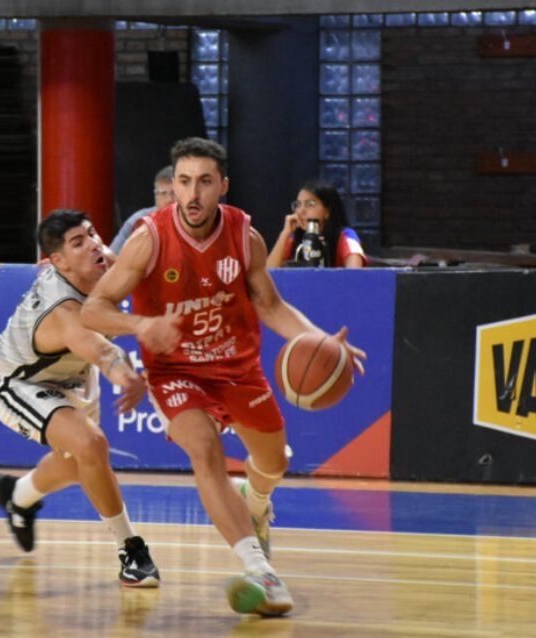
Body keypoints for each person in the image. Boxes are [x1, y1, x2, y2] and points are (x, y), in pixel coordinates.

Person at [81, 137, 366, 616]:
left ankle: (256, 501)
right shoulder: (149, 238)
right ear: (173, 186)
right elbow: (94, 309)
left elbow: (270, 306)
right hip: (176, 371)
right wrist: (141, 325)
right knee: (204, 450)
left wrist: (322, 341)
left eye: (204, 182)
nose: (192, 194)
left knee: (273, 462)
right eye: (183, 182)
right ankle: (261, 573)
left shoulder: (244, 235)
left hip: (236, 367)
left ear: (223, 186)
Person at [0, 209, 160, 588]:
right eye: (79, 243)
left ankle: (18, 496)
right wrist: (128, 377)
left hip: (73, 375)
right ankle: (131, 548)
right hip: (18, 380)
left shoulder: (102, 261)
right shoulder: (63, 310)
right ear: (58, 262)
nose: (94, 244)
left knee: (76, 465)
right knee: (91, 445)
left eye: (93, 233)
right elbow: (100, 351)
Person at [267, 179, 368, 268]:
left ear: (327, 211)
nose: (301, 211)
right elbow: (268, 274)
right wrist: (285, 234)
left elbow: (355, 273)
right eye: (298, 204)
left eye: (310, 204)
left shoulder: (346, 235)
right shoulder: (294, 238)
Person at [109, 165, 175, 254]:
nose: (170, 199)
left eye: (174, 193)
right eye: (163, 193)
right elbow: (113, 254)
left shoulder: (191, 221)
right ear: (155, 196)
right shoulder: (139, 220)